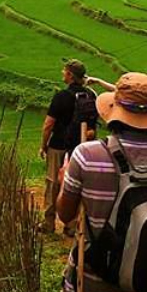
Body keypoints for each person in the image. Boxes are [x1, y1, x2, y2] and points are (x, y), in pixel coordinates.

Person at [54, 73, 147, 292]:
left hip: (90, 284)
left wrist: (63, 181)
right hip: (139, 281)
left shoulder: (86, 155)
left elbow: (65, 215)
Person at [40, 59, 98, 237]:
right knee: (75, 185)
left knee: (53, 183)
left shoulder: (61, 96)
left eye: (64, 71)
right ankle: (72, 225)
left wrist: (44, 145)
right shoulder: (90, 96)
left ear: (70, 76)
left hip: (58, 145)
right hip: (80, 148)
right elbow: (92, 127)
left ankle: (48, 223)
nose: (62, 74)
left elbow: (49, 124)